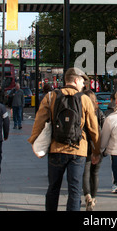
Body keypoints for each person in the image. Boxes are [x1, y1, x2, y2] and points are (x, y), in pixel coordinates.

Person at [28, 67, 101, 211]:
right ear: (75, 80)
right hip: (78, 150)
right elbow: (94, 129)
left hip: (56, 148)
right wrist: (96, 151)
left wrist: (34, 141)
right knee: (74, 190)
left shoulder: (50, 97)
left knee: (53, 187)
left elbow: (39, 121)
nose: (83, 85)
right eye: (82, 82)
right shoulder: (85, 99)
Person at [82, 89, 105, 211]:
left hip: (84, 147)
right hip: (97, 146)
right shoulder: (99, 112)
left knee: (85, 173)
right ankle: (94, 197)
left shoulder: (81, 112)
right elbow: (104, 128)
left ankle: (88, 196)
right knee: (95, 173)